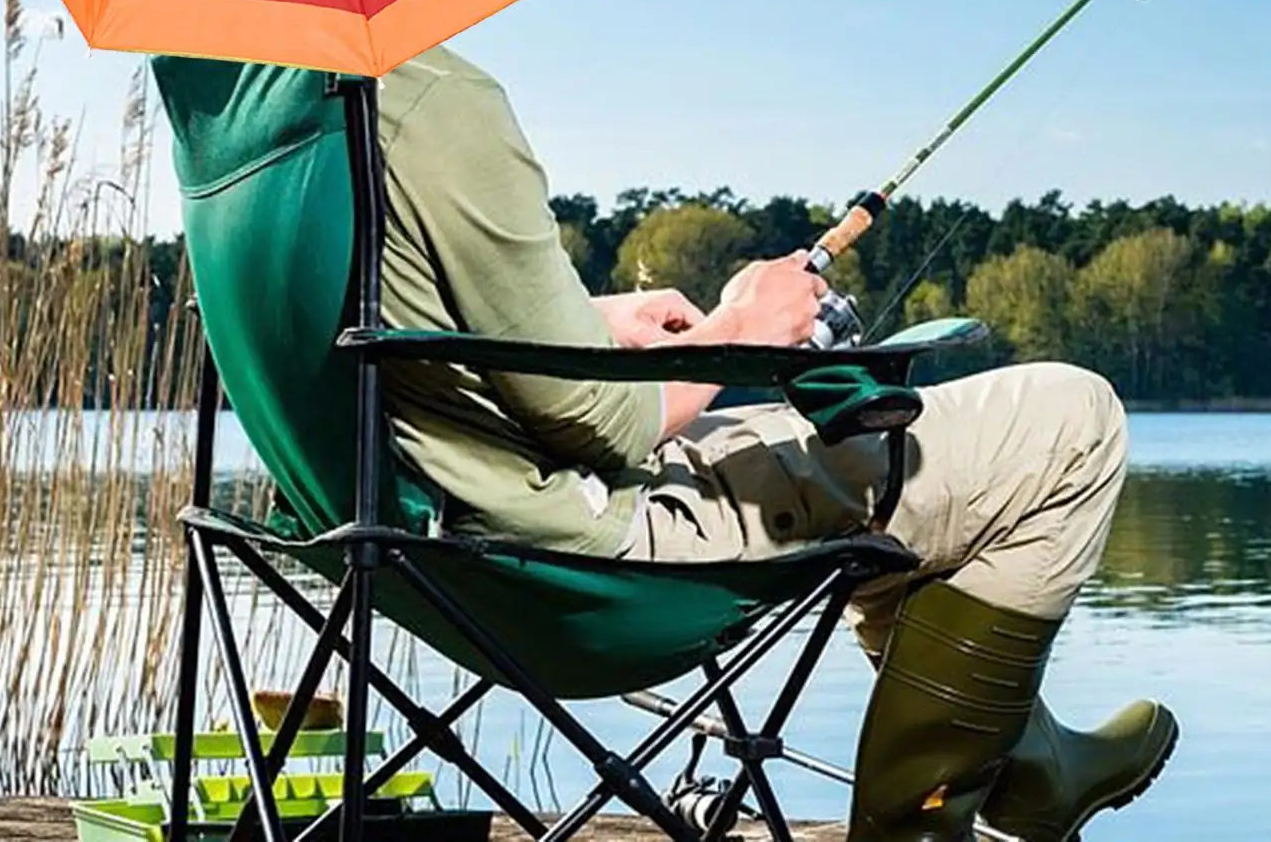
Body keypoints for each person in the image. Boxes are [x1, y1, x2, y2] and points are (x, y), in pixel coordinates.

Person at [377, 44, 1177, 842]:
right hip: (581, 554)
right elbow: (602, 422)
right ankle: (949, 816)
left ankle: (1024, 761)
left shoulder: (284, 110)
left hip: (430, 558)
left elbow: (389, 337)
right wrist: (741, 328)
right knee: (1072, 421)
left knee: (904, 473)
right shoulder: (438, 100)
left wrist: (583, 319)